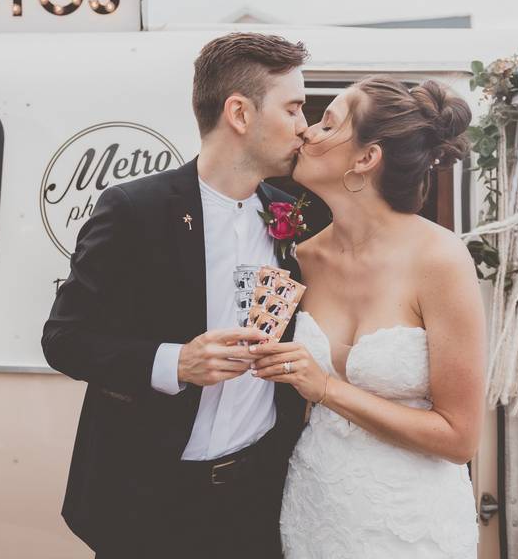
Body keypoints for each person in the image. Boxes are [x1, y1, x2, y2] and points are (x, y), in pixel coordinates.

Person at [41, 32, 311, 558]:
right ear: (239, 113)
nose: (304, 126)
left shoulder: (295, 215)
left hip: (258, 498)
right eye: (295, 108)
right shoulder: (134, 211)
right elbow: (63, 339)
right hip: (149, 499)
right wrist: (176, 362)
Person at [251, 76, 486, 558]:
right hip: (319, 506)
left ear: (365, 158)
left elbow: (460, 439)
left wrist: (327, 389)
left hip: (412, 521)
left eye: (327, 123)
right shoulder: (302, 256)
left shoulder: (440, 259)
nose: (307, 133)